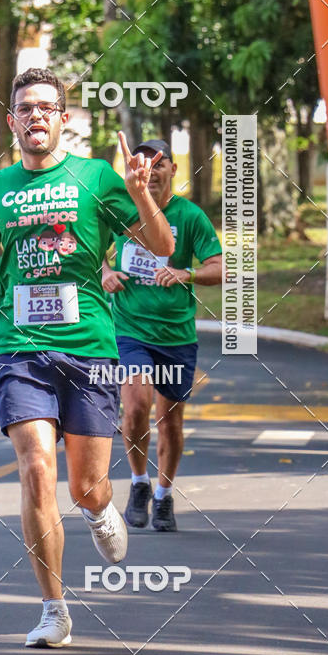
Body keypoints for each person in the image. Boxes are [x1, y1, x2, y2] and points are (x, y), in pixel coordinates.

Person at [0, 67, 174, 648]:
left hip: (90, 348)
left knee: (86, 488)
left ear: (64, 118)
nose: (36, 116)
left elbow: (163, 247)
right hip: (20, 348)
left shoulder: (97, 177)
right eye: (25, 108)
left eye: (47, 107)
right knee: (35, 469)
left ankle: (101, 508)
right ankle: (54, 608)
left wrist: (139, 194)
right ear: (12, 121)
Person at [102, 138, 222, 532]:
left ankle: (164, 495)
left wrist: (187, 273)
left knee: (170, 420)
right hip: (129, 329)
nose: (150, 171)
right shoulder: (120, 211)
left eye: (159, 164)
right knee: (136, 405)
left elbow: (221, 267)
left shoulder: (189, 217)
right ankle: (139, 483)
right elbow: (88, 250)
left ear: (172, 170)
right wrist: (105, 273)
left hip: (176, 335)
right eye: (142, 164)